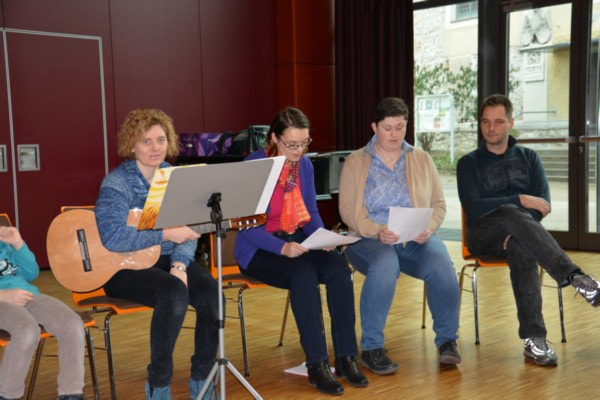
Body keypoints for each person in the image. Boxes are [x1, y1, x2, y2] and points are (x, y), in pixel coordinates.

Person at [456, 93, 600, 366]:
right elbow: (474, 208)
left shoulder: (529, 158)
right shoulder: (468, 163)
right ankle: (575, 277)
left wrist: (516, 228)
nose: (491, 128)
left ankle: (534, 339)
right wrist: (519, 200)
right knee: (510, 211)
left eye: (498, 122)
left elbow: (542, 205)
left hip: (519, 235)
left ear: (511, 123)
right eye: (486, 122)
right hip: (482, 236)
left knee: (521, 245)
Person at [234, 106, 368, 396]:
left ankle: (346, 357)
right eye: (291, 144)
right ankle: (316, 364)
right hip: (259, 247)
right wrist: (282, 247)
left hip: (298, 240)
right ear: (274, 138)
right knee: (303, 273)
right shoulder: (253, 166)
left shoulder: (304, 165)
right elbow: (246, 227)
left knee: (338, 269)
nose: (298, 151)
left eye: (304, 143)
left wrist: (323, 237)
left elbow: (310, 212)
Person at [95, 109, 220, 400]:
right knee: (173, 294)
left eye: (161, 140)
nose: (155, 147)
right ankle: (158, 384)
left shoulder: (174, 178)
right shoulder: (117, 183)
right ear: (132, 145)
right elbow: (113, 238)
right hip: (121, 266)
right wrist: (165, 234)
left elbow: (187, 230)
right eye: (146, 141)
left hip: (168, 259)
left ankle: (202, 380)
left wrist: (179, 263)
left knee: (214, 299)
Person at [338, 97, 461, 375]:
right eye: (387, 128)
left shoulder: (421, 159)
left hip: (414, 237)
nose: (394, 135)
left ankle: (447, 341)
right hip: (368, 237)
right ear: (374, 127)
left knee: (441, 265)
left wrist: (429, 227)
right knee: (385, 264)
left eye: (400, 127)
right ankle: (372, 348)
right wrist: (376, 230)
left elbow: (439, 204)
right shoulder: (356, 161)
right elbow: (347, 210)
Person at [0, 225, 86, 400]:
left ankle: (71, 393)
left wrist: (18, 244)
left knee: (72, 324)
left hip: (27, 295)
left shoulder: (4, 242)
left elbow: (31, 274)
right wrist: (4, 295)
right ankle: (6, 394)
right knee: (27, 330)